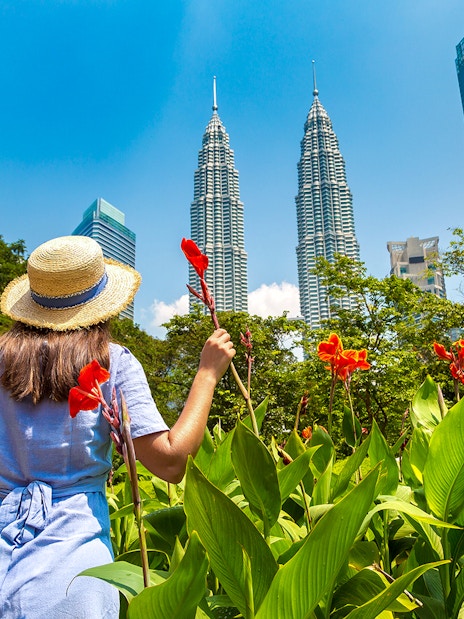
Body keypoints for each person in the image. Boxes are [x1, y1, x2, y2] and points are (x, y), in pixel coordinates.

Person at [0, 235, 235, 618]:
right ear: (101, 306)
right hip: (74, 567)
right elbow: (171, 462)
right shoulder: (111, 363)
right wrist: (207, 374)